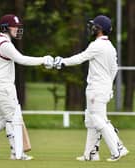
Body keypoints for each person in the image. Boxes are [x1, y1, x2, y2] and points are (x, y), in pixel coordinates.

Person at [0, 14, 54, 160]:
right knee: (13, 119)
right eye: (15, 26)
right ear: (6, 27)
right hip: (2, 87)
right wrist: (43, 60)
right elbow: (22, 59)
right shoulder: (5, 45)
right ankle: (16, 153)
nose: (18, 29)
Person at [54, 15, 129, 162]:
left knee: (98, 119)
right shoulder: (110, 47)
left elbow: (80, 57)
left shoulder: (97, 45)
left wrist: (62, 62)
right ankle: (90, 154)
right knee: (91, 120)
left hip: (96, 89)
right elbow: (114, 70)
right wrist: (109, 87)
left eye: (94, 26)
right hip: (103, 88)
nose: (91, 28)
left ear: (99, 29)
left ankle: (119, 147)